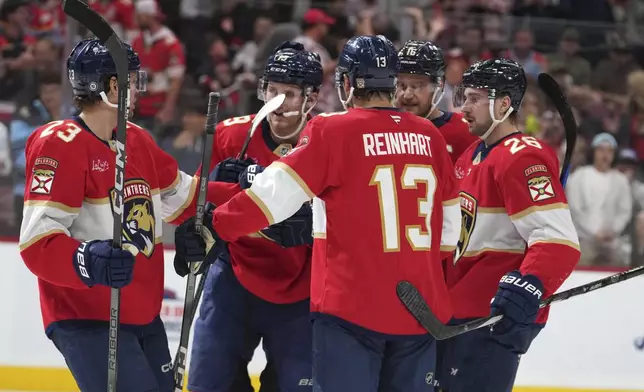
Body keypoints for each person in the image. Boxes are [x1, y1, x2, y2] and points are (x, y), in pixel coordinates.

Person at [176, 34, 462, 392]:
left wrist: (214, 226)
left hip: (351, 309)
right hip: (419, 309)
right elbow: (450, 230)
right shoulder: (430, 136)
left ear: (343, 83)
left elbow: (272, 196)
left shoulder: (333, 129)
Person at [18, 38, 198, 392]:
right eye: (131, 80)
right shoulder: (59, 143)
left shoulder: (138, 140)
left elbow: (187, 199)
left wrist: (246, 187)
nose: (136, 90)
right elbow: (37, 242)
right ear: (111, 86)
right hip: (87, 317)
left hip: (142, 313)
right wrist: (87, 259)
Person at [175, 41, 322, 392]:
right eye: (273, 90)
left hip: (302, 288)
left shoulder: (326, 143)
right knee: (209, 385)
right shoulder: (230, 136)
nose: (278, 102)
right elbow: (194, 206)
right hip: (233, 281)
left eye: (289, 93)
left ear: (311, 100)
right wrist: (192, 234)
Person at [440, 58, 581, 392]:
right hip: (459, 313)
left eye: (474, 98)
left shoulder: (522, 155)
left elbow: (557, 240)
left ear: (504, 104)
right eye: (463, 97)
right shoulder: (472, 154)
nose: (464, 107)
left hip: (494, 316)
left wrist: (528, 284)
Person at [395, 40, 477, 163]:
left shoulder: (464, 132)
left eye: (417, 85)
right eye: (401, 85)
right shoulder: (383, 130)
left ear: (439, 84)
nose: (407, 95)